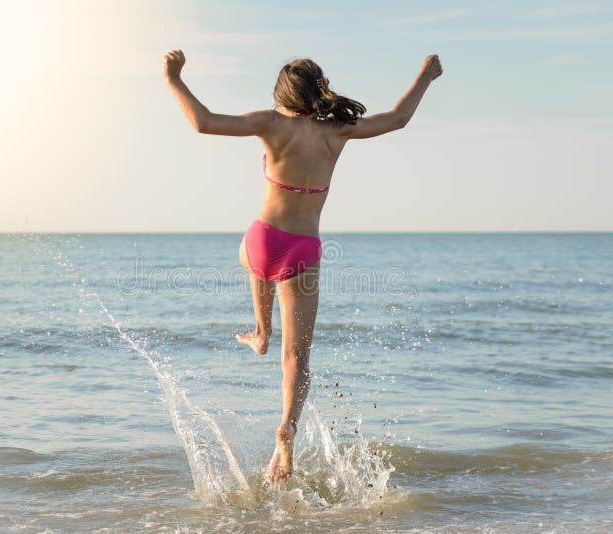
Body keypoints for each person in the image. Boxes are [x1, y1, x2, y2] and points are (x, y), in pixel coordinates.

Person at [163, 49, 442, 486]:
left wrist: (173, 78)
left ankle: (260, 331)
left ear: (283, 94)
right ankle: (286, 431)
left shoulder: (270, 124)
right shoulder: (337, 131)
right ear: (317, 92)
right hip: (303, 251)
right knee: (297, 357)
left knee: (251, 259)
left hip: (262, 240)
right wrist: (425, 76)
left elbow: (202, 121)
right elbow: (397, 118)